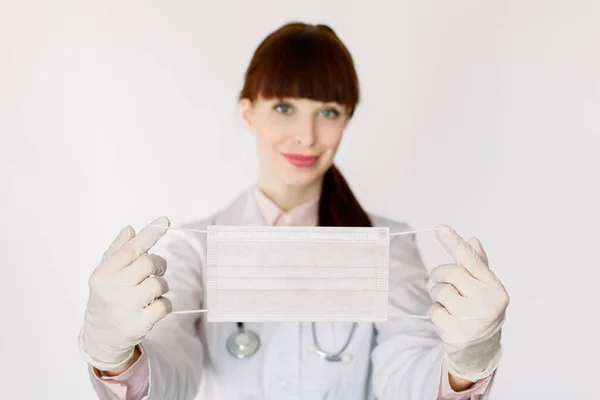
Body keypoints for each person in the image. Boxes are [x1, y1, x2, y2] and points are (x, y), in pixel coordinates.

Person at [78, 22, 509, 399]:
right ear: (248, 113)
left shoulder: (385, 246)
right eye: (284, 107)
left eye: (328, 111)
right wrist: (116, 354)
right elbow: (171, 371)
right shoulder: (196, 247)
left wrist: (465, 363)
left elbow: (406, 372)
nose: (306, 135)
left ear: (347, 119)